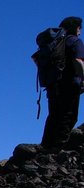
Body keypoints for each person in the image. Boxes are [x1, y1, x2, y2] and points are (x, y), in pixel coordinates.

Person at [41, 16, 84, 149]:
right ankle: (59, 148)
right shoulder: (75, 41)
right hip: (69, 85)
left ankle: (46, 147)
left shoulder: (56, 43)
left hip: (53, 85)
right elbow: (78, 60)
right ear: (77, 28)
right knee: (68, 116)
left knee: (54, 116)